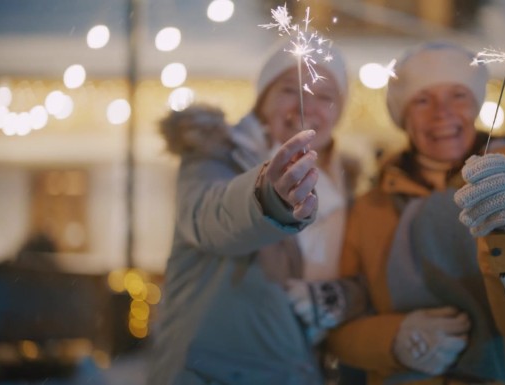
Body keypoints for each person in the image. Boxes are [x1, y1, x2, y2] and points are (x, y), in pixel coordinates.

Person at [326, 42, 505, 385]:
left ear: (474, 105)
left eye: (457, 95)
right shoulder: (370, 208)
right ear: (403, 116)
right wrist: (394, 340)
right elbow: (338, 328)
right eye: (423, 100)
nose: (441, 113)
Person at [147, 42, 367, 385]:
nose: (306, 105)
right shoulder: (213, 159)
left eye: (325, 96)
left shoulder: (349, 189)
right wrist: (269, 195)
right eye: (289, 90)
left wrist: (342, 297)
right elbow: (212, 219)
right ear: (262, 99)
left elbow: (366, 277)